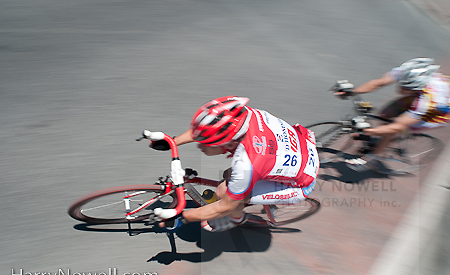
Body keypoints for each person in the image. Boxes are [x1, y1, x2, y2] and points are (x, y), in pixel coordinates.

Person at [150, 96, 319, 232]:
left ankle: (236, 220)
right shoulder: (245, 116)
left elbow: (224, 206)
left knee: (225, 193)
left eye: (206, 143)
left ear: (230, 144)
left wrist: (184, 217)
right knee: (229, 177)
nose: (199, 145)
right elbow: (210, 128)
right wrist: (172, 141)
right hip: (298, 145)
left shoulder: (247, 163)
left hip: (299, 183)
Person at [334, 58, 450, 171]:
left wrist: (367, 131)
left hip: (436, 115)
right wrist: (353, 92)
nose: (401, 88)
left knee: (392, 130)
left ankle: (371, 159)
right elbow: (379, 83)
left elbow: (396, 126)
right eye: (402, 84)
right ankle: (378, 140)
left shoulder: (427, 102)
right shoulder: (405, 72)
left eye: (406, 87)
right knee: (384, 114)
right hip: (420, 95)